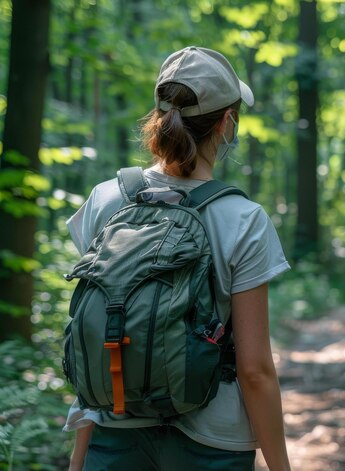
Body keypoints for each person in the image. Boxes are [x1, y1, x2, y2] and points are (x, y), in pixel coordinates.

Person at [63, 46, 292, 471]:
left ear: (158, 115)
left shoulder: (105, 199)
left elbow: (95, 332)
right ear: (226, 123)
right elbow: (255, 369)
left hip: (115, 431)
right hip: (214, 443)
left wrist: (80, 458)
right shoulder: (243, 219)